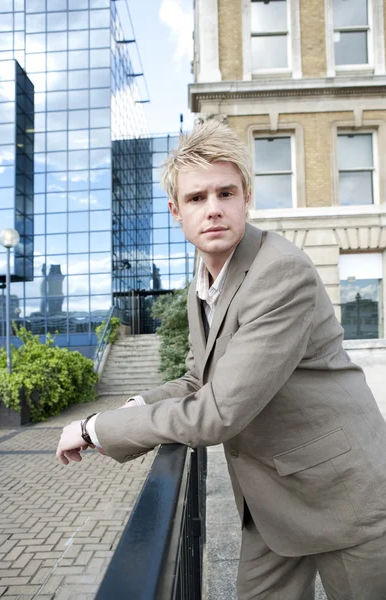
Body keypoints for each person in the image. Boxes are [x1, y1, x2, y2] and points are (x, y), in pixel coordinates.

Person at [57, 120, 386, 600]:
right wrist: (133, 405)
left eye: (225, 193)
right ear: (176, 211)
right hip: (272, 500)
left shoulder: (280, 272)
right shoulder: (207, 276)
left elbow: (217, 413)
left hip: (344, 496)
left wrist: (94, 429)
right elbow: (199, 379)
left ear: (246, 197)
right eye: (196, 198)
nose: (212, 210)